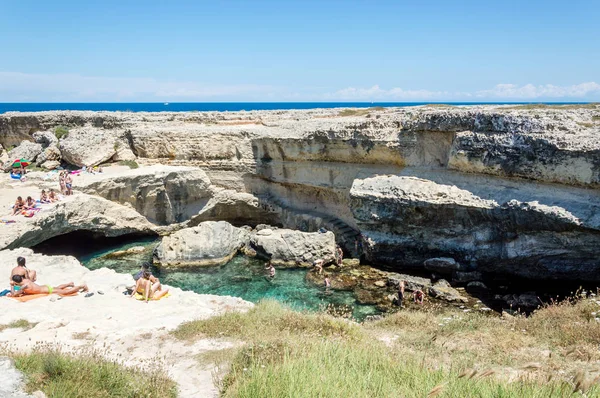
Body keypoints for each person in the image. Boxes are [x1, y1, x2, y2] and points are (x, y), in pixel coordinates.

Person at [10, 275, 87, 297]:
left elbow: (14, 294)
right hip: (45, 287)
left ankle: (81, 286)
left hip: (47, 290)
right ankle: (69, 284)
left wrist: (12, 286)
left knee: (65, 292)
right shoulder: (25, 280)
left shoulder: (24, 286)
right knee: (57, 287)